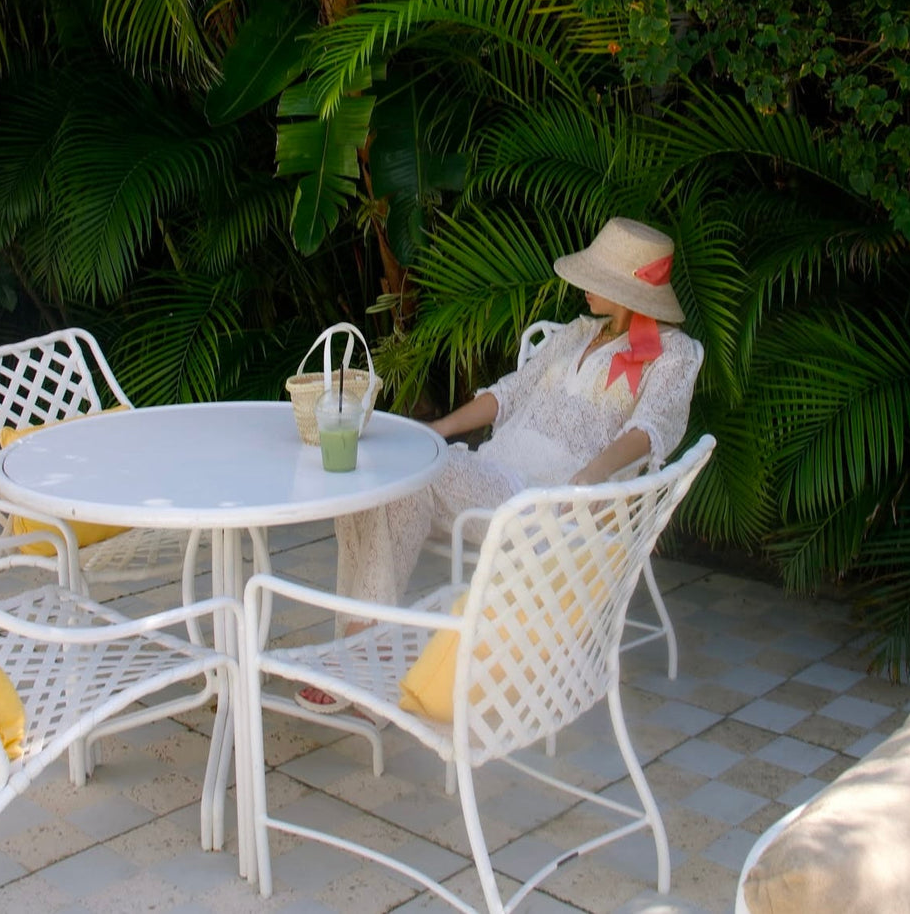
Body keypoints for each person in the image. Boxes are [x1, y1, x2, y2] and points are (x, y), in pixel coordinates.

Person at [297, 217, 704, 713]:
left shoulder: (673, 355)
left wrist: (588, 478)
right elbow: (507, 395)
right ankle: (361, 649)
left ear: (625, 291)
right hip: (493, 478)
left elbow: (652, 428)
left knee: (408, 479)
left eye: (595, 279)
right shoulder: (577, 333)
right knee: (379, 491)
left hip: (550, 507)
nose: (581, 286)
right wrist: (438, 431)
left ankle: (357, 652)